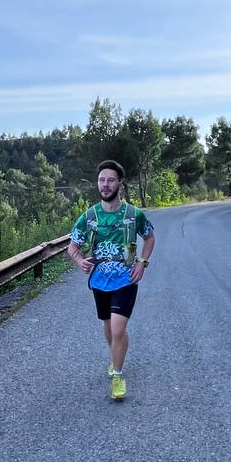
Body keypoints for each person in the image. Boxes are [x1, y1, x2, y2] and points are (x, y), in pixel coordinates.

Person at [68, 160, 155, 400]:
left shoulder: (133, 215)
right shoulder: (89, 216)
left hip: (126, 279)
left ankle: (118, 376)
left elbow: (149, 238)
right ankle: (115, 356)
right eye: (101, 180)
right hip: (99, 281)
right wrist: (80, 261)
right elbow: (72, 247)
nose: (105, 184)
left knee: (118, 328)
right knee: (109, 327)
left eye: (111, 180)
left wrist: (142, 262)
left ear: (120, 183)